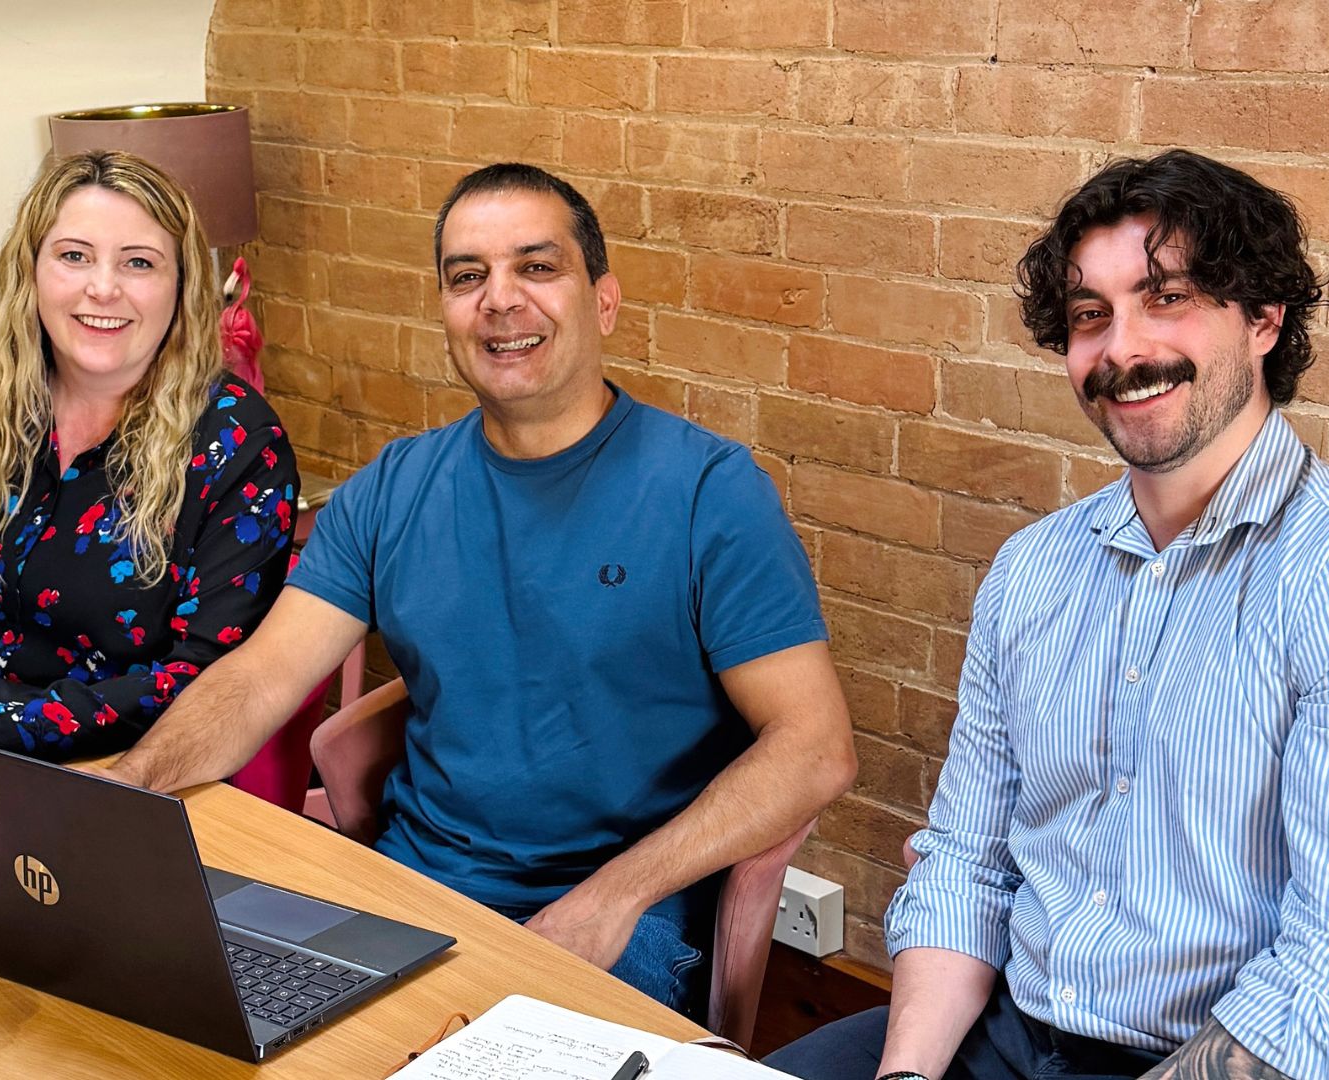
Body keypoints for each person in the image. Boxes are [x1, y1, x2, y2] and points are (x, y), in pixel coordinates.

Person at [766, 149, 1329, 1080]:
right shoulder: (1036, 568)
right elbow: (967, 864)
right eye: (1092, 315)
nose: (1121, 349)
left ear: (1262, 318)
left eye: (1166, 298)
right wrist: (907, 1077)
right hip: (1000, 1030)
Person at [99, 163, 857, 1014]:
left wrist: (611, 899)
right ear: (447, 314)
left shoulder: (709, 492)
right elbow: (258, 679)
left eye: (537, 267)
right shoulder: (393, 486)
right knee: (179, 1010)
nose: (500, 300)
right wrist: (120, 796)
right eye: (468, 277)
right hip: (415, 883)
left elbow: (814, 745)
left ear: (604, 301)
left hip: (620, 906)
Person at [0, 150, 297, 762]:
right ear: (32, 270)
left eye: (139, 263)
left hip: (124, 772)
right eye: (74, 256)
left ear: (181, 286)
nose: (103, 287)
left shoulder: (238, 442)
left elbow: (207, 680)